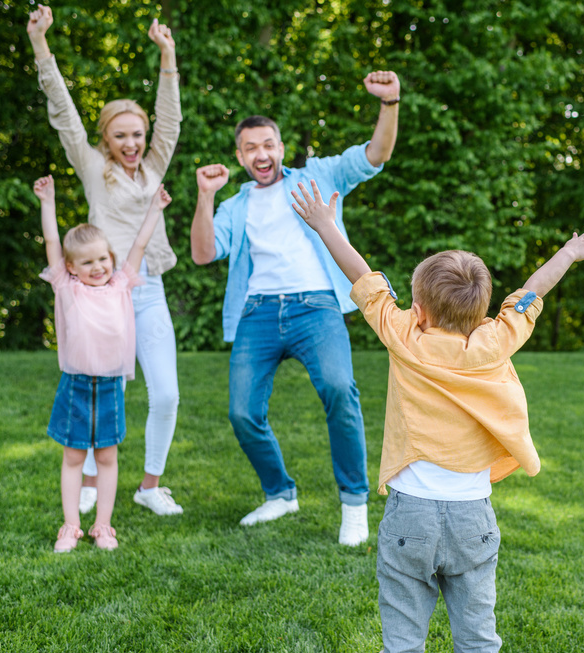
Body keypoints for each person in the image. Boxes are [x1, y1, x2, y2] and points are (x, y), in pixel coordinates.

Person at [291, 179, 584, 653]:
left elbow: (362, 275)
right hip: (472, 520)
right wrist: (567, 253)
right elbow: (530, 293)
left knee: (401, 648)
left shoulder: (403, 335)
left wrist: (326, 227)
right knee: (480, 644)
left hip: (409, 517)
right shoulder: (496, 341)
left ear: (417, 309)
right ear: (482, 310)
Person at [189, 70, 401, 545]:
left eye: (269, 144)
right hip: (257, 313)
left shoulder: (319, 175)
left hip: (316, 307)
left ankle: (354, 503)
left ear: (281, 147)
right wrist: (206, 196)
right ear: (240, 156)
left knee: (339, 389)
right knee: (243, 413)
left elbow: (377, 155)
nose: (261, 154)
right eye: (250, 148)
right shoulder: (236, 204)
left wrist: (390, 104)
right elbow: (204, 253)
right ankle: (280, 493)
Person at [27, 4, 184, 516]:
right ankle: (90, 477)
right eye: (121, 135)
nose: (132, 143)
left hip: (148, 289)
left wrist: (168, 56)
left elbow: (172, 117)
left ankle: (149, 485)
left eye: (137, 133)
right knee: (98, 389)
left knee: (165, 394)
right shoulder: (94, 168)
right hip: (99, 296)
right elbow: (64, 113)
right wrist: (40, 42)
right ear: (106, 139)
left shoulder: (155, 163)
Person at [35, 175, 174, 552]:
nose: (97, 266)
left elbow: (141, 243)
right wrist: (47, 202)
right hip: (76, 384)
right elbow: (51, 242)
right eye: (87, 262)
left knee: (108, 457)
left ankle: (103, 526)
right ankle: (70, 526)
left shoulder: (121, 285)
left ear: (111, 259)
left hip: (111, 386)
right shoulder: (67, 288)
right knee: (73, 457)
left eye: (102, 259)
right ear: (72, 267)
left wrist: (155, 209)